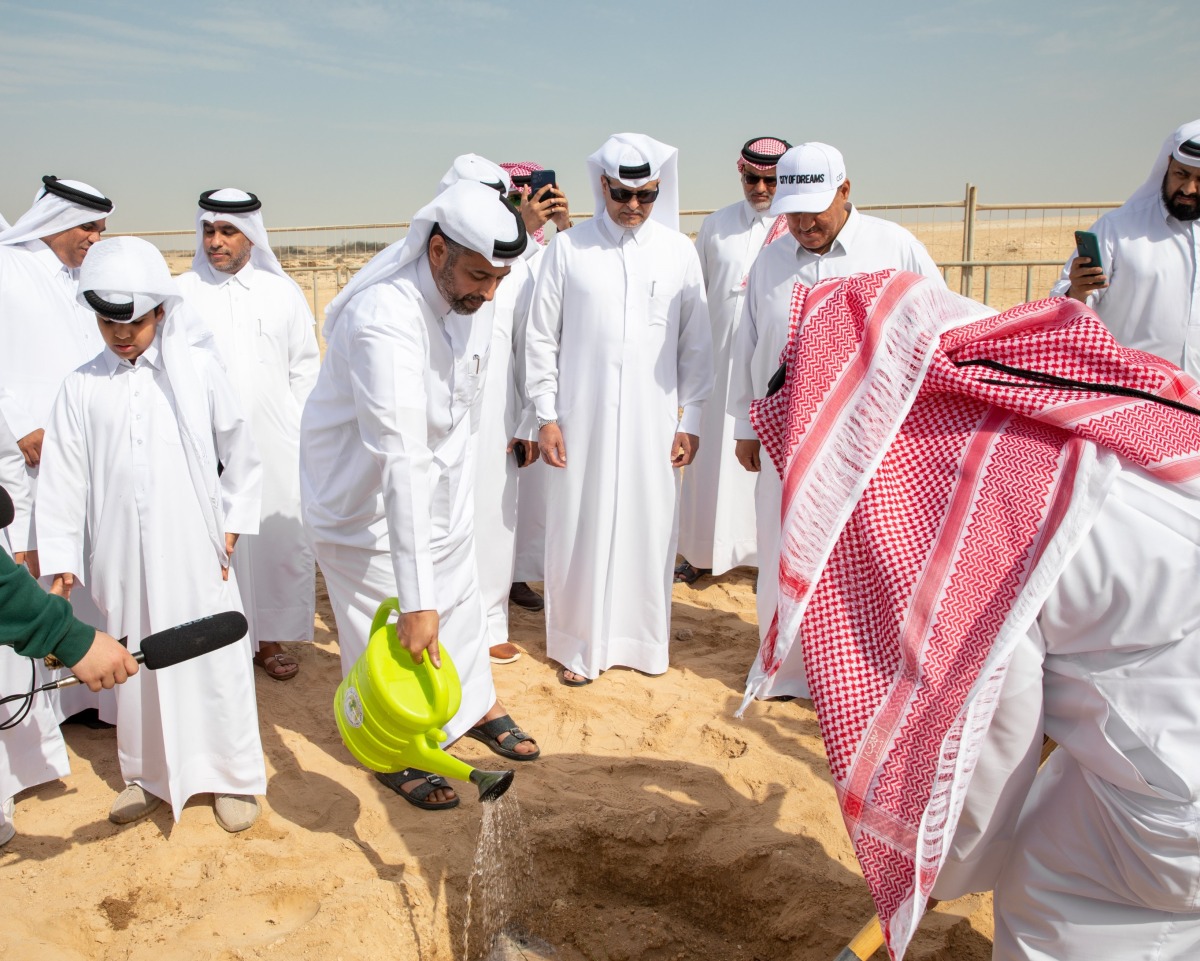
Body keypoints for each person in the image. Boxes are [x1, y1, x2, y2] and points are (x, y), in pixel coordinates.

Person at [741, 268, 1200, 960]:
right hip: (1167, 700)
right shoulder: (1103, 410)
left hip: (1179, 772)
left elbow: (981, 769)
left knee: (1048, 891)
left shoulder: (977, 524)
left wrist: (942, 867)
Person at [301, 180, 540, 811]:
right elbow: (398, 456)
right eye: (477, 276)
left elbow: (454, 415)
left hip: (435, 495)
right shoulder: (383, 319)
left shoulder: (463, 299)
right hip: (365, 508)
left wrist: (454, 518)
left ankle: (474, 705)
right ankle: (396, 750)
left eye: (498, 279)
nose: (487, 293)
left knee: (458, 602)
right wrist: (414, 597)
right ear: (436, 251)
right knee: (396, 630)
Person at [35, 236, 266, 832]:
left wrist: (234, 522)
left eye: (134, 321)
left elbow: (241, 448)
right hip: (120, 553)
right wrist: (63, 557)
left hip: (195, 546)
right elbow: (63, 477)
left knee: (208, 655)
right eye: (108, 321)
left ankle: (232, 776)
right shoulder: (81, 386)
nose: (120, 334)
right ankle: (148, 775)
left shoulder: (196, 372)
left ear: (160, 313)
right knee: (135, 658)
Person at [728, 142, 943, 700]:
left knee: (871, 555)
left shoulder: (895, 247)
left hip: (877, 440)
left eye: (813, 211)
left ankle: (865, 677)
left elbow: (942, 328)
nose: (801, 223)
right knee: (784, 546)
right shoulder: (770, 261)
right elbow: (749, 344)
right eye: (792, 212)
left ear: (845, 191)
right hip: (789, 438)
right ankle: (786, 668)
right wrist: (746, 426)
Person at [525, 132, 713, 686]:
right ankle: (579, 646)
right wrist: (546, 414)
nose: (633, 207)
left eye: (646, 195)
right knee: (580, 526)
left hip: (654, 424)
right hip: (579, 420)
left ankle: (641, 644)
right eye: (622, 194)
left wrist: (692, 419)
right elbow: (541, 338)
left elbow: (695, 345)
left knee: (648, 526)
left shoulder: (679, 251)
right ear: (602, 186)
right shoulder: (568, 248)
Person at [176, 188, 320, 682]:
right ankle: (212, 642)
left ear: (251, 237)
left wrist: (299, 429)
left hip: (274, 442)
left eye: (227, 231)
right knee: (210, 543)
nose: (215, 241)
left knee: (272, 539)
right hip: (201, 444)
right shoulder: (180, 293)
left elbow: (304, 367)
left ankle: (267, 636)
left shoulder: (281, 293)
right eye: (208, 231)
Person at [0, 176, 116, 725]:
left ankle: (83, 697)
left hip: (75, 451)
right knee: (34, 567)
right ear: (52, 221)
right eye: (86, 226)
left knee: (79, 564)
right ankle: (41, 709)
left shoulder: (79, 280)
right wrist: (19, 424)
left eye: (101, 228)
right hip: (26, 455)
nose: (95, 237)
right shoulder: (9, 267)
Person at [675, 136, 792, 587]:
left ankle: (765, 555)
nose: (760, 188)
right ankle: (703, 551)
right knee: (714, 459)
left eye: (771, 180)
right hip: (722, 362)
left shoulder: (795, 224)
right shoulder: (717, 225)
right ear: (740, 174)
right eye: (752, 178)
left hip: (772, 364)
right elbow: (698, 293)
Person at [1051, 118, 1200, 377]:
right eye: (1181, 174)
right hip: (1133, 394)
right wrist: (1077, 290)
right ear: (1167, 165)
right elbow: (1061, 306)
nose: (1188, 189)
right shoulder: (1117, 229)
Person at [504, 161, 574, 618]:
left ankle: (521, 573)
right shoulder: (506, 246)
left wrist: (564, 226)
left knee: (536, 492)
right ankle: (503, 575)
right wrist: (523, 230)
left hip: (545, 380)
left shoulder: (558, 246)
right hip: (501, 379)